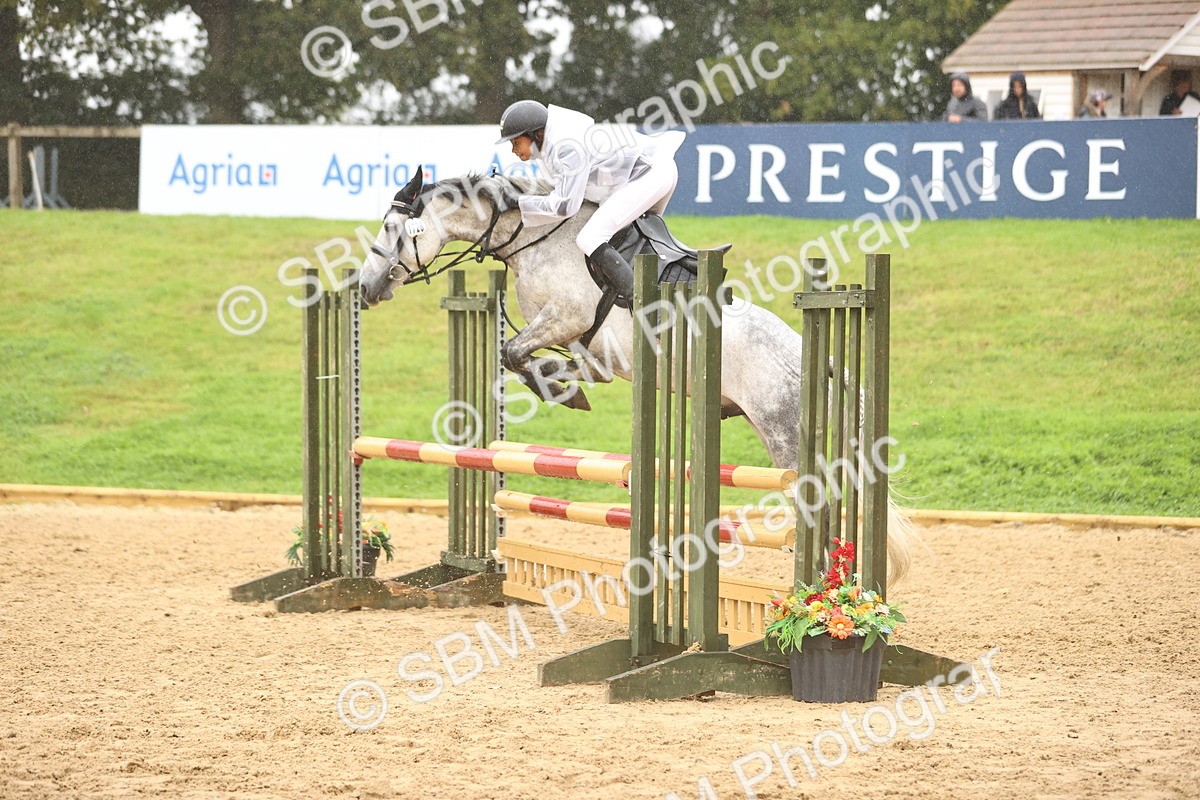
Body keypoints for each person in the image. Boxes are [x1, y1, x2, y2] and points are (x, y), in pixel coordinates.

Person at [495, 100, 685, 301]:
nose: (513, 150)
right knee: (631, 235)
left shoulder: (565, 146)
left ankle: (643, 305)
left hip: (651, 175)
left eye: (516, 142)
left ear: (536, 134)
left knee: (590, 238)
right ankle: (663, 286)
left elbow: (565, 206)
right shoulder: (555, 144)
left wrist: (518, 202)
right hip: (655, 172)